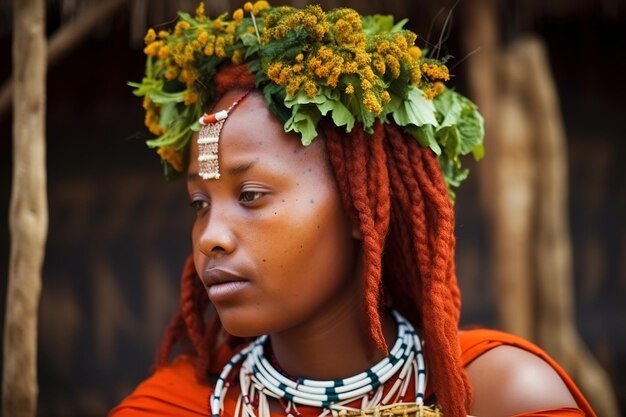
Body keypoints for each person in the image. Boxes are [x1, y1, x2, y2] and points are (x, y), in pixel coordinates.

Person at [111, 2, 597, 416]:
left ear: (362, 209)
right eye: (200, 203)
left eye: (251, 196)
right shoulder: (171, 405)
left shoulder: (499, 396)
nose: (211, 236)